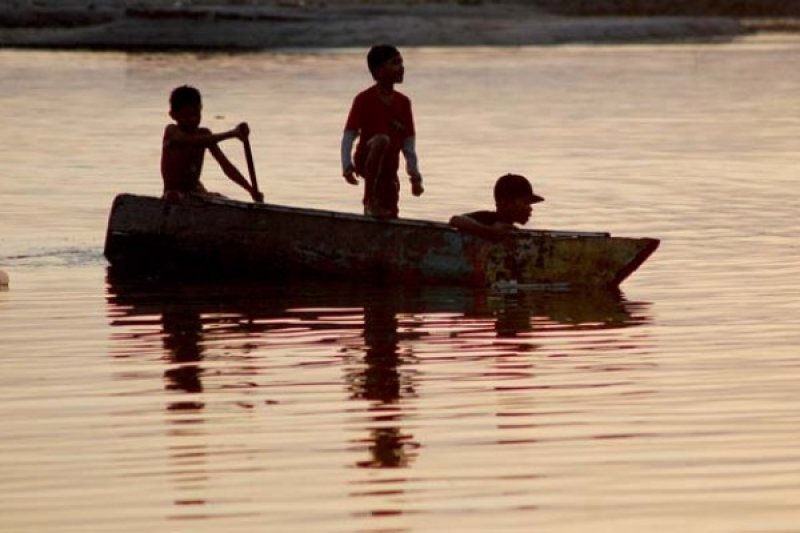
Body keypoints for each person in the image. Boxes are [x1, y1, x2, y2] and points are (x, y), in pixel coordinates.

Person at [341, 44, 424, 218]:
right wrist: (347, 166)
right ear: (378, 71)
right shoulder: (364, 99)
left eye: (401, 62)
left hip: (389, 169)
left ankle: (376, 210)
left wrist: (415, 176)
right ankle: (369, 200)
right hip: (366, 157)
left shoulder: (403, 103)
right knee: (381, 140)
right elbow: (349, 135)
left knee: (390, 213)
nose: (401, 67)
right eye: (395, 63)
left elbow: (408, 144)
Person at [161, 85, 263, 203]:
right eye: (187, 115)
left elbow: (226, 166)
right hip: (174, 193)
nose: (193, 119)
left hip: (195, 192)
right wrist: (232, 134)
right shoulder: (172, 131)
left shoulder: (205, 133)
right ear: (173, 115)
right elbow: (191, 140)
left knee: (217, 198)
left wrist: (250, 190)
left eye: (196, 114)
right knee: (172, 196)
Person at [449, 173, 544, 241]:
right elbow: (456, 219)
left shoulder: (512, 230)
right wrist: (490, 232)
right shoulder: (488, 219)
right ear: (505, 203)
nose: (530, 208)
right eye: (525, 203)